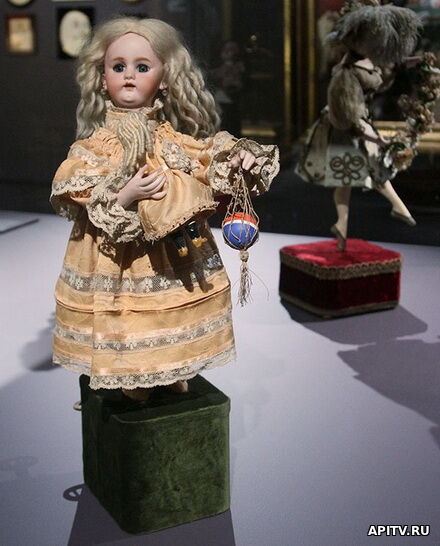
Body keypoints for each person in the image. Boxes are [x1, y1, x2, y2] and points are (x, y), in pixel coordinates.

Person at [50, 17, 279, 401]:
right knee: (128, 312)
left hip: (173, 252)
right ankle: (132, 374)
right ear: (102, 77)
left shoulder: (170, 140)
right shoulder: (97, 146)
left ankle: (170, 366)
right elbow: (81, 190)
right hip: (117, 255)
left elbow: (204, 155)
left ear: (165, 79)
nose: (128, 76)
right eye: (118, 66)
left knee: (171, 303)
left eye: (142, 67)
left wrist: (240, 157)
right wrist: (125, 195)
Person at [296, 4, 421, 251]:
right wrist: (371, 137)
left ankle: (342, 224)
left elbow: (379, 81)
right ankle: (398, 207)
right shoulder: (345, 74)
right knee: (369, 167)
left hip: (356, 125)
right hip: (345, 130)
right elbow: (345, 113)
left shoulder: (364, 62)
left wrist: (404, 65)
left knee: (347, 178)